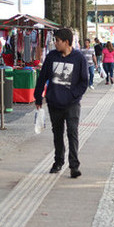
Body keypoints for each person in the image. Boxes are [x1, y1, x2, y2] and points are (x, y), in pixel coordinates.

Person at [35, 28, 89, 178]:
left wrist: (73, 95)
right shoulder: (52, 56)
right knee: (57, 133)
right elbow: (42, 77)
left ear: (66, 42)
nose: (55, 43)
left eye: (57, 41)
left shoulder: (79, 58)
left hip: (72, 104)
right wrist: (38, 96)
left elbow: (84, 81)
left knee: (72, 132)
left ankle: (74, 166)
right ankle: (58, 161)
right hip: (54, 102)